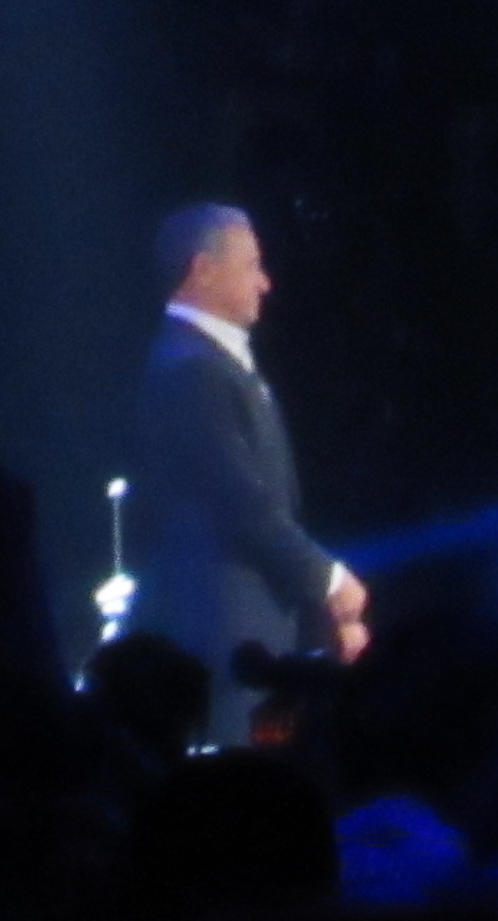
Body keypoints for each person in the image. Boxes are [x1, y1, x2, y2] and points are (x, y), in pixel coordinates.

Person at [127, 203, 365, 727]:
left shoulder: (210, 364)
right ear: (203, 270)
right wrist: (327, 581)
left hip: (258, 632)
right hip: (226, 637)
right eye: (252, 265)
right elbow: (241, 504)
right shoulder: (189, 370)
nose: (265, 282)